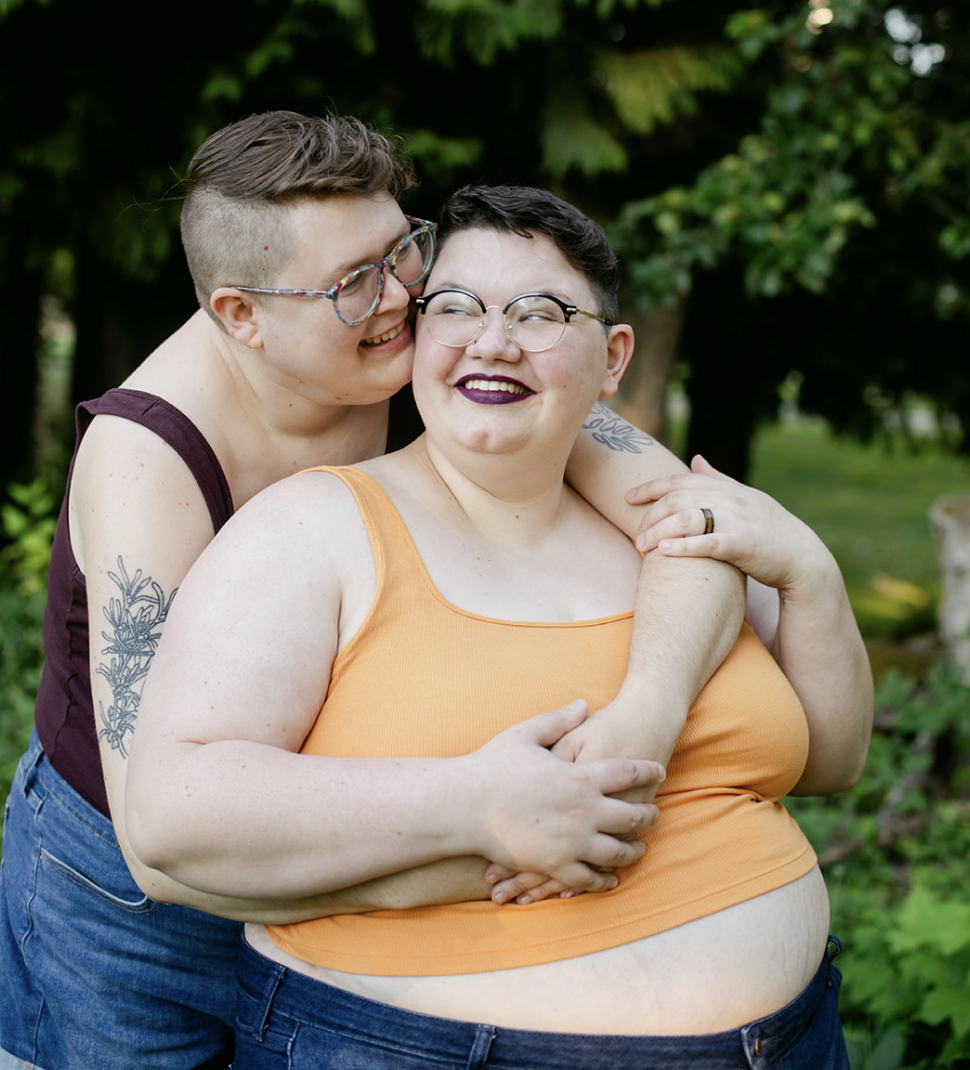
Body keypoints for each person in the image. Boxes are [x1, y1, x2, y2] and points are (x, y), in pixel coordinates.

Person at [0, 114, 747, 1070]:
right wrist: (496, 840)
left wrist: (650, 709)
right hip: (126, 912)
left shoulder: (416, 353)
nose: (402, 295)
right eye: (354, 282)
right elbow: (160, 845)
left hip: (346, 838)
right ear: (241, 316)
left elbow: (696, 523)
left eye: (402, 249)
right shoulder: (147, 461)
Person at [127, 184, 873, 1070]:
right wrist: (471, 805)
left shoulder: (667, 533)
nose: (492, 341)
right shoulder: (312, 529)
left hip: (792, 1041)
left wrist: (812, 575)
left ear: (612, 359)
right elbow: (172, 814)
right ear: (416, 335)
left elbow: (831, 762)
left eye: (540, 313)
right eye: (456, 306)